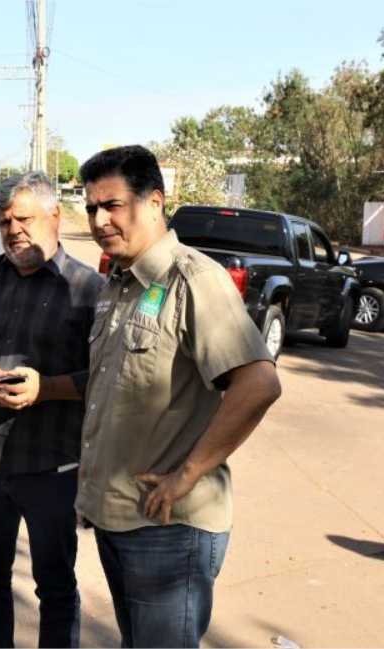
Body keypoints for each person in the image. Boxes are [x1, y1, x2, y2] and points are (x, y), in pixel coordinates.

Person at [76, 145, 282, 648]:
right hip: (119, 517)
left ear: (153, 203)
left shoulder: (194, 280)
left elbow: (259, 383)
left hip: (169, 529)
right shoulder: (118, 284)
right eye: (91, 208)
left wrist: (186, 475)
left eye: (113, 205)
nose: (100, 219)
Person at [0, 172, 104, 648]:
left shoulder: (90, 290)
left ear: (55, 215)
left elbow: (111, 382)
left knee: (54, 588)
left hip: (53, 470)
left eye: (24, 218)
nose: (14, 230)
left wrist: (45, 388)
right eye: (5, 221)